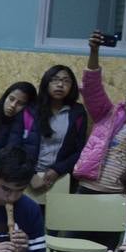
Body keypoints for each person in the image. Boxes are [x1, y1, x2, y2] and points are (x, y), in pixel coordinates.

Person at [76, 29, 126, 213]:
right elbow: (92, 88)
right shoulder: (108, 115)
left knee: (108, 243)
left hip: (120, 198)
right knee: (73, 236)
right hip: (88, 188)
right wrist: (94, 52)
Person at [27, 64, 88, 193]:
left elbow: (80, 150)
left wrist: (58, 169)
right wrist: (30, 173)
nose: (60, 84)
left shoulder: (77, 112)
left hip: (61, 178)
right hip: (27, 177)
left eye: (66, 81)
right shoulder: (31, 110)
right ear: (46, 83)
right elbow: (17, 145)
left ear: (72, 86)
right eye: (55, 79)